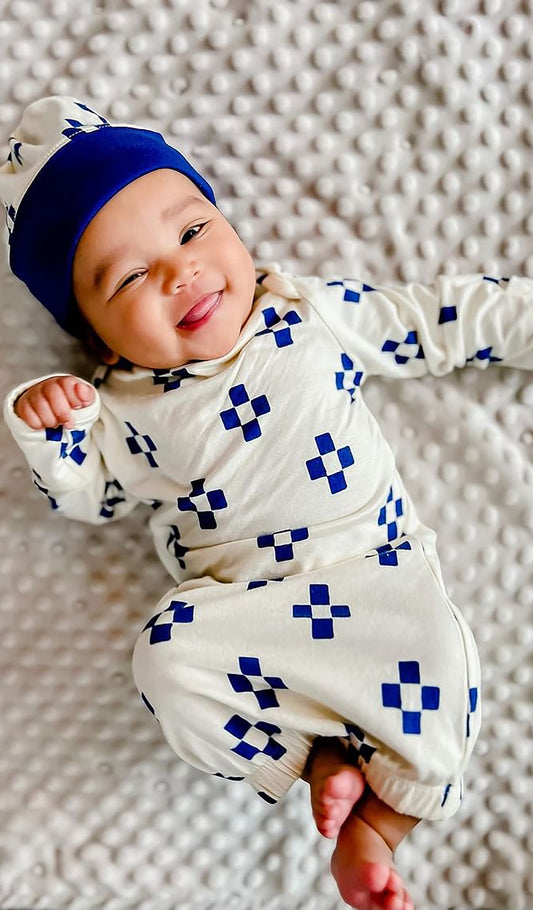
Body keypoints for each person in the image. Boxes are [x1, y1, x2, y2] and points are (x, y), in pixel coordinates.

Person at [3, 96, 530, 910]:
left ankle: (381, 820)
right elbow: (91, 497)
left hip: (372, 571)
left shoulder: (306, 313)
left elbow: (434, 321)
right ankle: (315, 762)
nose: (178, 273)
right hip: (248, 610)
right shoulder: (123, 407)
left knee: (438, 654)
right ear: (100, 335)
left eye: (191, 231)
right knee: (166, 660)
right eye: (131, 277)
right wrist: (53, 432)